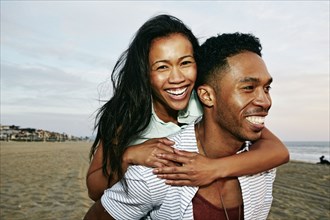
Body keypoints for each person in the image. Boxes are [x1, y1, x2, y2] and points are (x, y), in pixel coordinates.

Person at [86, 14, 288, 203]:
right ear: (145, 73)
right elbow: (94, 189)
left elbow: (277, 150)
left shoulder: (206, 101)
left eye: (185, 63)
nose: (177, 78)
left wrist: (213, 169)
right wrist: (128, 156)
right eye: (162, 67)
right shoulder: (126, 115)